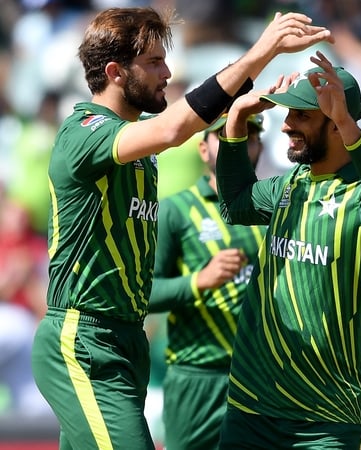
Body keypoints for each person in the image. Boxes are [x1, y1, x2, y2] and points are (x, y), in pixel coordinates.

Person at [29, 6, 332, 449]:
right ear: (115, 72)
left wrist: (246, 103)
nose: (167, 73)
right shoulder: (85, 133)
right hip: (84, 340)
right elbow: (177, 127)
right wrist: (263, 49)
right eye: (153, 62)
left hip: (126, 341)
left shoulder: (134, 134)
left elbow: (192, 117)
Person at [214, 50, 361, 449]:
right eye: (289, 115)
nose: (286, 126)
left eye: (302, 116)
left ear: (338, 124)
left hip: (326, 416)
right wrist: (235, 121)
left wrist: (347, 123)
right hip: (252, 403)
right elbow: (234, 204)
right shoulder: (290, 184)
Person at [149, 113, 267, 450]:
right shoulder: (175, 211)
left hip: (257, 376)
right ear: (203, 150)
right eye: (227, 135)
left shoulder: (270, 208)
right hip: (196, 375)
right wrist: (199, 280)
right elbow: (144, 294)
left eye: (249, 136)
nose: (240, 144)